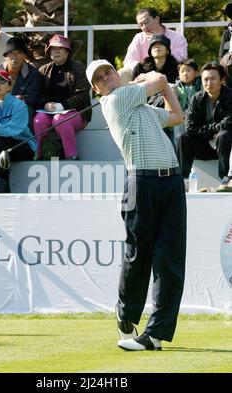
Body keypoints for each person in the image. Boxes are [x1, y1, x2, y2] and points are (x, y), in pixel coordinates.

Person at [86, 59, 186, 351]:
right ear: (97, 90)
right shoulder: (115, 100)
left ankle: (155, 335)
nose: (107, 79)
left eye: (109, 73)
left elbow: (177, 115)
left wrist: (164, 87)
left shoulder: (139, 107)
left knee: (170, 262)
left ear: (117, 74)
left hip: (172, 182)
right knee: (138, 255)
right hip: (141, 182)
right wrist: (155, 80)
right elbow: (157, 81)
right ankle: (126, 311)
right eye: (100, 79)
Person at [33, 34, 91, 160]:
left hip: (77, 112)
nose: (56, 51)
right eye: (53, 49)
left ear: (67, 52)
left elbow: (83, 94)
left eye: (60, 48)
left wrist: (62, 105)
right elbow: (39, 94)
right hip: (48, 111)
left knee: (60, 119)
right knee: (39, 120)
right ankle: (39, 155)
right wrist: (45, 104)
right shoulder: (43, 70)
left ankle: (72, 156)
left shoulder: (79, 68)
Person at [176, 62, 232, 185]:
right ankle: (182, 179)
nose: (209, 83)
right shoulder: (197, 98)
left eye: (213, 79)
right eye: (205, 79)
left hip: (225, 146)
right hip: (204, 144)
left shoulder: (230, 96)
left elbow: (228, 123)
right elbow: (190, 127)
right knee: (182, 137)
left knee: (224, 135)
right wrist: (210, 131)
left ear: (222, 80)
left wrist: (206, 129)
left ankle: (225, 178)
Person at [0, 36, 41, 131]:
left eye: (19, 53)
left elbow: (33, 98)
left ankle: (25, 142)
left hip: (21, 109)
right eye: (11, 53)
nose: (14, 57)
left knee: (27, 110)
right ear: (5, 56)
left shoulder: (33, 73)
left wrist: (15, 102)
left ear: (24, 56)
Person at [119, 7, 187, 85]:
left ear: (157, 19)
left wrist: (157, 65)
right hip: (143, 75)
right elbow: (129, 61)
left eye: (146, 22)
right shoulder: (138, 38)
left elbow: (181, 59)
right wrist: (145, 69)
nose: (144, 27)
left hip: (169, 74)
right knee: (122, 73)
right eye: (140, 25)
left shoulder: (177, 37)